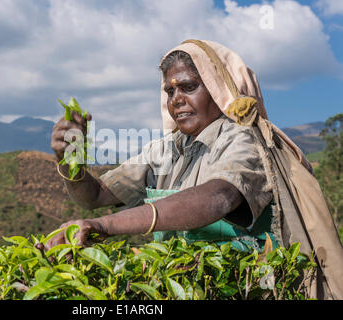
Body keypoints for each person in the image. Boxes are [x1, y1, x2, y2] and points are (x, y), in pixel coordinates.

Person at [49, 39, 343, 299]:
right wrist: (69, 157)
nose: (176, 99)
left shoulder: (245, 139)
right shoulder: (164, 150)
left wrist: (107, 226)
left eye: (189, 87)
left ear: (218, 90)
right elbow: (96, 195)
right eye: (170, 90)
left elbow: (218, 197)